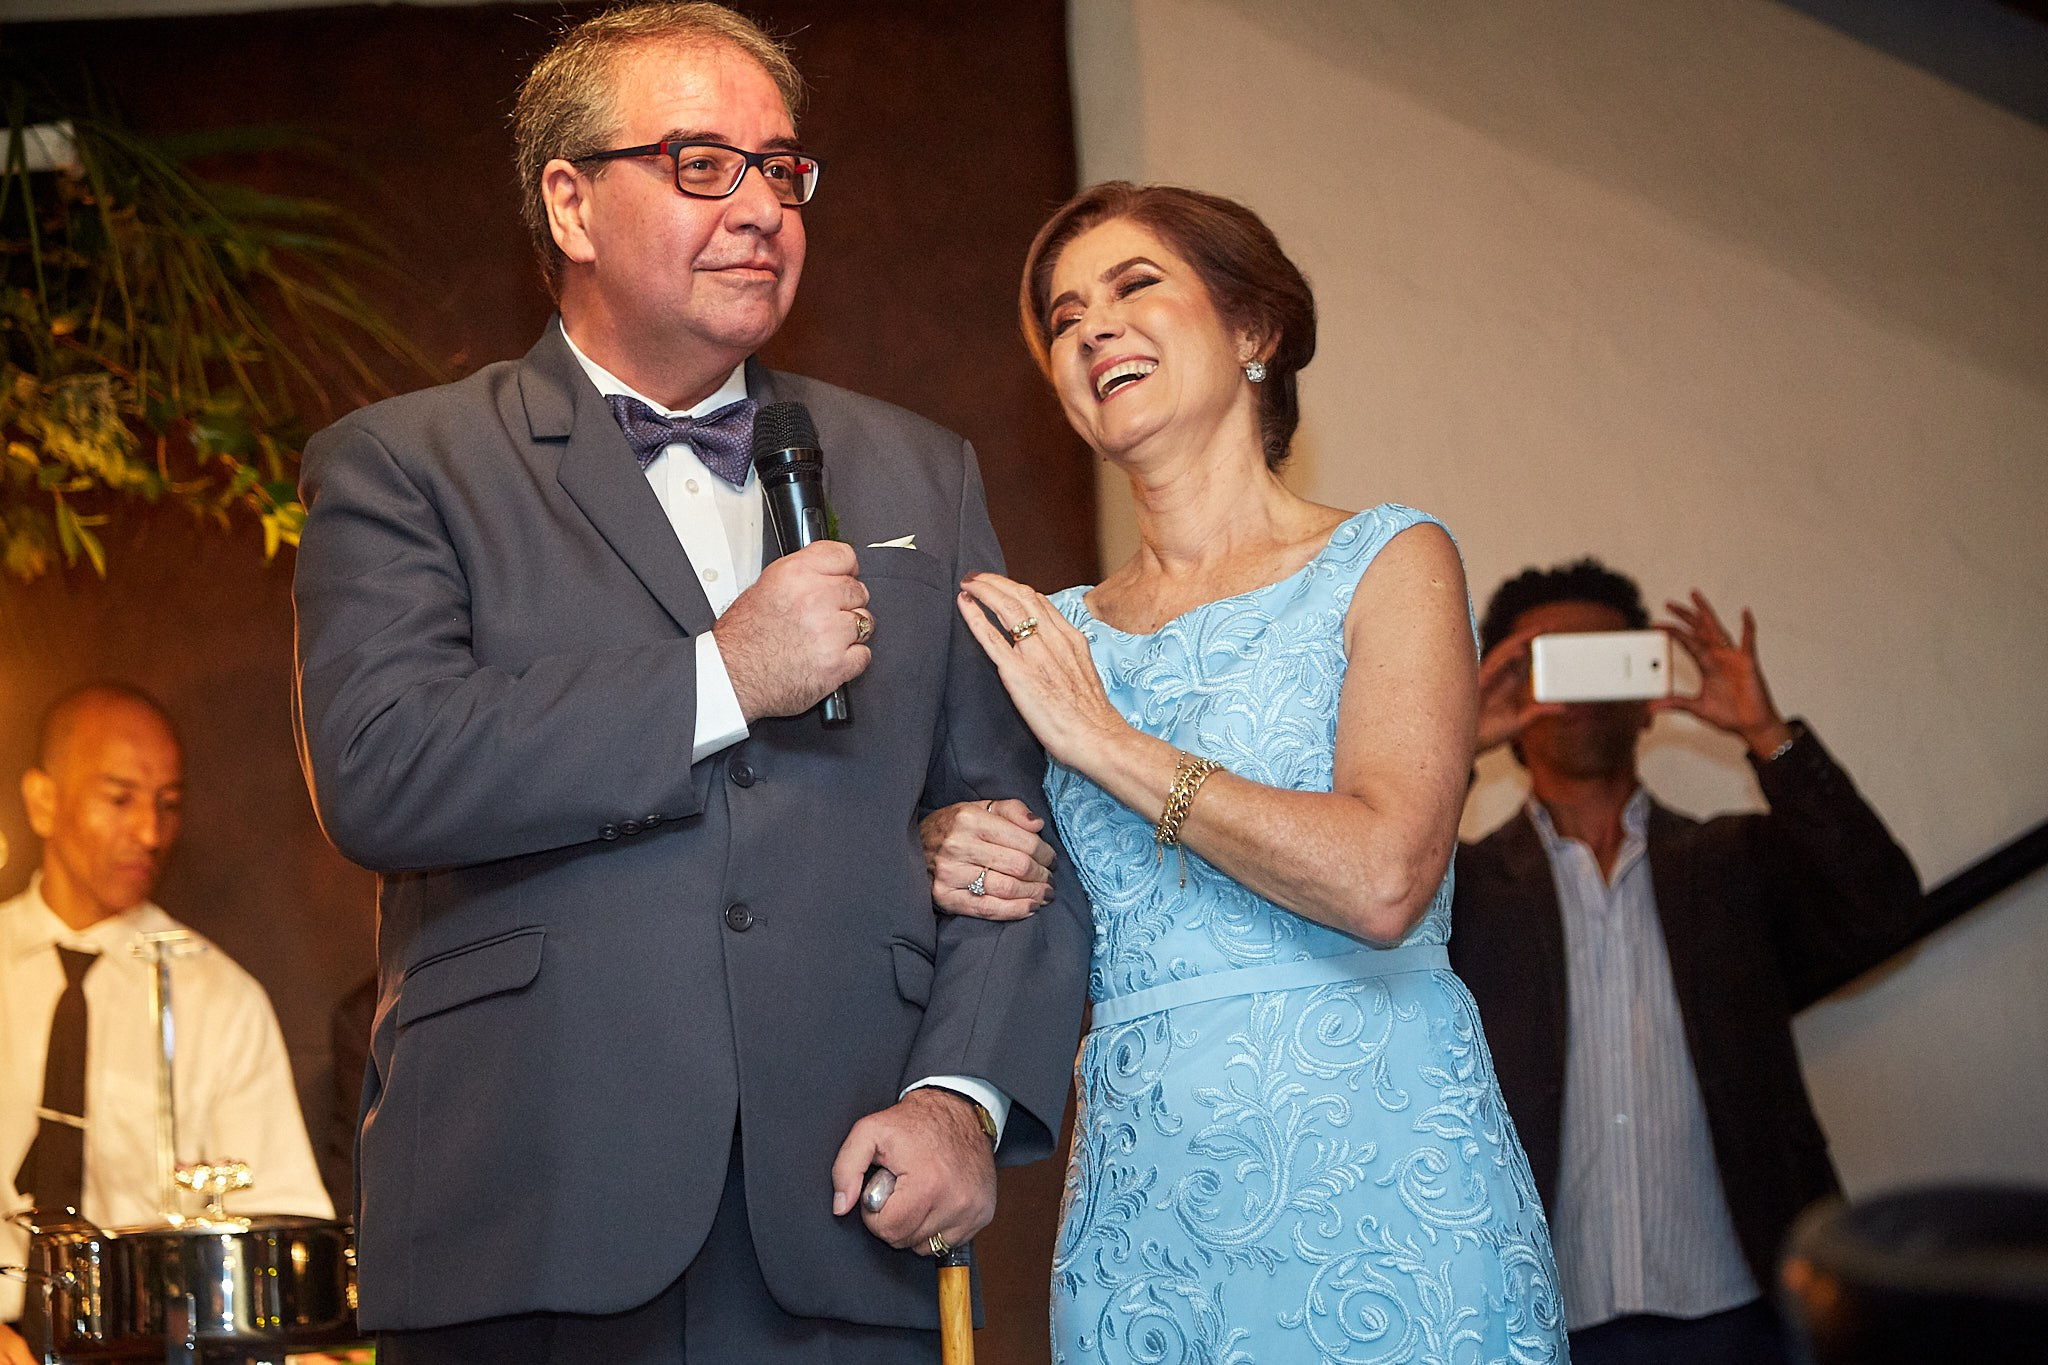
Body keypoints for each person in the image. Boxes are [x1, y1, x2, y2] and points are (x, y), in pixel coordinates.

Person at [288, 4, 1089, 1361]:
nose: (764, 206)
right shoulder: (403, 462)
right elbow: (382, 763)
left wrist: (962, 1097)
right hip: (526, 1210)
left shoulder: (915, 472)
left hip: (839, 1210)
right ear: (571, 201)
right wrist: (725, 675)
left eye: (782, 169)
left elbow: (1012, 836)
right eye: (703, 163)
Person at [921, 182, 1566, 1363]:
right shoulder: (1048, 638)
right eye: (1063, 319)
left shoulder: (1389, 559)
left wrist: (1107, 742)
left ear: (1254, 330)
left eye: (1134, 287)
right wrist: (938, 853)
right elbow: (1015, 916)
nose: (1092, 329)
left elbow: (1383, 879)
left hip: (1383, 1179)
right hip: (1144, 1211)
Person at [1448, 558, 1924, 1365]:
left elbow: (1882, 908)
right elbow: (1360, 927)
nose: (1586, 691)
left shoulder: (1729, 860)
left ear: (1647, 696)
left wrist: (1766, 734)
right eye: (1555, 666)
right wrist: (1454, 741)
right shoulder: (1459, 889)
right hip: (1529, 1320)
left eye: (1609, 661)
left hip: (1746, 1311)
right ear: (1515, 703)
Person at [2, 684, 331, 1365]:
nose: (150, 832)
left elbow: (278, 1228)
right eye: (118, 798)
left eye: (168, 804)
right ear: (42, 800)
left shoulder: (220, 995)